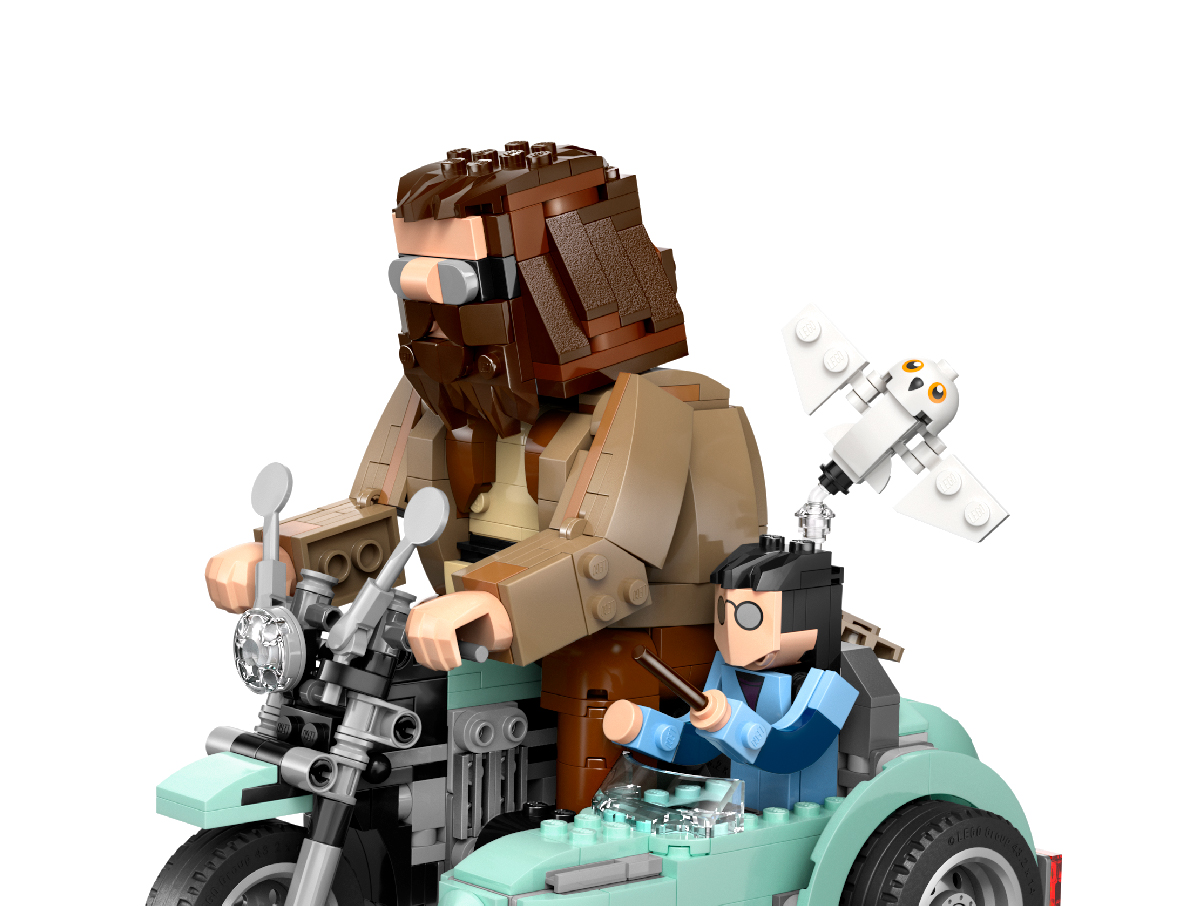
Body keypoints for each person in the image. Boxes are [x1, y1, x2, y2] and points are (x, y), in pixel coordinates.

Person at [205, 142, 769, 809]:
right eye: (407, 278)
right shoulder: (440, 399)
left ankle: (576, 849)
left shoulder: (659, 409)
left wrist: (495, 604)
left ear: (562, 283)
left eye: (454, 282)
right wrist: (288, 559)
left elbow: (611, 554)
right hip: (475, 638)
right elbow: (380, 508)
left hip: (632, 646)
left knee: (592, 722)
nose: (429, 309)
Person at [602, 536, 859, 811]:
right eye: (723, 614)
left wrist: (730, 724)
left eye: (749, 616)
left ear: (805, 617)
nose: (733, 633)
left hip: (800, 810)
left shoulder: (831, 686)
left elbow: (793, 750)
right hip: (741, 809)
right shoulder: (727, 669)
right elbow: (698, 745)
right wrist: (645, 728)